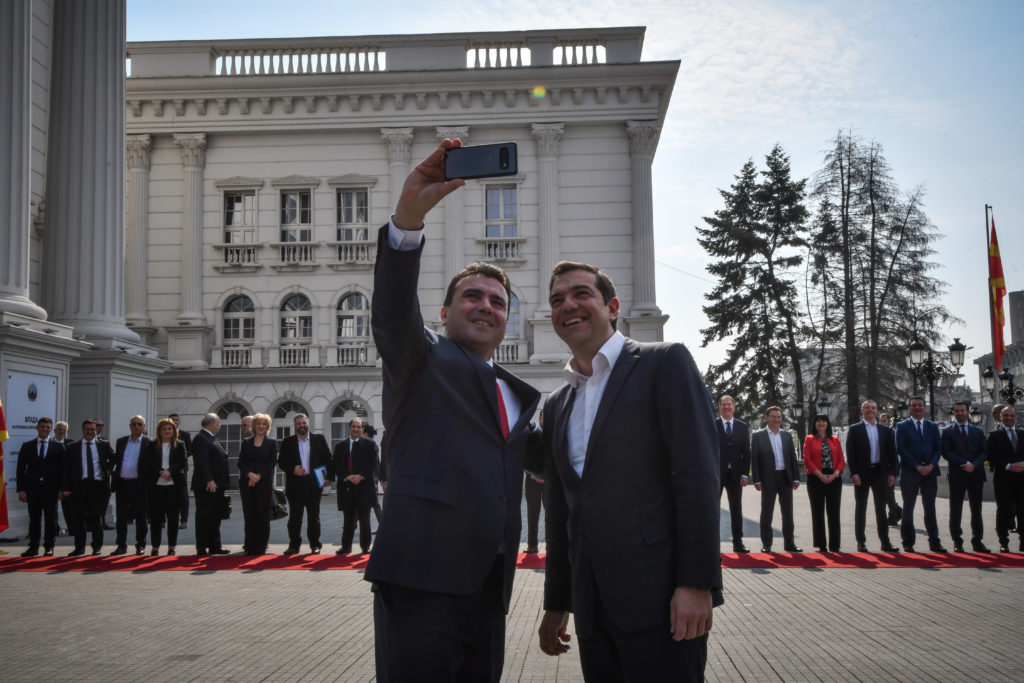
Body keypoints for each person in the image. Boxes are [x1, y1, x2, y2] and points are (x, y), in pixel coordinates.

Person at [365, 139, 542, 682]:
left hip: (489, 589)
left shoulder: (517, 396)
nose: (486, 306)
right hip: (420, 582)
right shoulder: (419, 358)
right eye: (473, 296)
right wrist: (409, 219)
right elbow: (393, 309)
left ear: (507, 321)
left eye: (497, 302)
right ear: (444, 313)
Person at [539, 260, 721, 682]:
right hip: (593, 611)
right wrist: (557, 602)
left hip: (663, 604)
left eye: (581, 294)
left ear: (613, 306)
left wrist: (697, 584)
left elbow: (697, 479)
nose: (568, 305)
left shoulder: (664, 364)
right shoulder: (558, 404)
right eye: (557, 299)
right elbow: (564, 513)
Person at [847, 400, 900, 552]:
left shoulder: (886, 431)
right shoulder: (855, 429)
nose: (870, 410)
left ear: (877, 411)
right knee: (861, 508)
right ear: (862, 411)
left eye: (873, 408)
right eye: (867, 408)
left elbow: (892, 453)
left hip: (880, 473)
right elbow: (851, 454)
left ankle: (885, 542)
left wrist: (892, 473)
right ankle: (861, 542)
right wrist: (854, 473)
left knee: (881, 509)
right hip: (862, 474)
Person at [895, 396, 946, 553]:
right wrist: (916, 466)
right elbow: (901, 449)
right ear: (910, 408)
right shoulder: (902, 426)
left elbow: (939, 448)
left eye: (920, 405)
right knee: (908, 508)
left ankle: (934, 541)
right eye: (914, 405)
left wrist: (931, 465)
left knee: (930, 508)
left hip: (930, 473)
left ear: (925, 408)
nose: (917, 408)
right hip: (911, 472)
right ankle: (908, 541)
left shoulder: (932, 426)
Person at [277, 413, 332, 555]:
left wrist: (329, 477)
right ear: (295, 426)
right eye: (299, 424)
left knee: (314, 517)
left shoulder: (319, 439)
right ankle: (294, 546)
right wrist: (292, 469)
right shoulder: (287, 442)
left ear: (308, 423)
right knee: (295, 518)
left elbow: (328, 459)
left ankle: (315, 545)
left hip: (313, 484)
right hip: (295, 484)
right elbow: (281, 462)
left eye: (304, 423)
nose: (302, 425)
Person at [751, 406, 802, 553]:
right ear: (766, 418)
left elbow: (792, 458)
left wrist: (796, 478)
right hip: (768, 478)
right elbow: (755, 460)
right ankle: (767, 544)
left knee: (788, 513)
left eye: (779, 417)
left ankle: (790, 544)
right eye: (773, 417)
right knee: (767, 512)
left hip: (785, 477)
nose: (776, 420)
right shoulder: (758, 436)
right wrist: (756, 480)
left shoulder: (786, 435)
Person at [941, 401, 990, 553]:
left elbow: (984, 452)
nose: (960, 413)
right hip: (957, 475)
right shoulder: (948, 431)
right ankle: (957, 541)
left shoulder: (978, 431)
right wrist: (964, 463)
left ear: (968, 412)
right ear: (954, 413)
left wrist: (974, 465)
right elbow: (946, 452)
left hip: (976, 475)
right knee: (955, 509)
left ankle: (977, 541)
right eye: (957, 411)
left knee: (977, 510)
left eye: (962, 410)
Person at [61, 419, 114, 556]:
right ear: (82, 430)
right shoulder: (73, 447)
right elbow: (66, 469)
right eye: (87, 429)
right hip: (79, 486)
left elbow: (114, 457)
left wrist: (108, 470)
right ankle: (79, 548)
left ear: (96, 431)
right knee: (78, 519)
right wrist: (65, 487)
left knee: (96, 518)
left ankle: (97, 547)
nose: (90, 432)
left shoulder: (104, 445)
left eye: (92, 429)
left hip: (97, 485)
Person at [15, 417, 63, 557]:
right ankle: (33, 547)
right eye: (42, 426)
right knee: (34, 519)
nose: (45, 429)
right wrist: (22, 490)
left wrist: (61, 489)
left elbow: (62, 470)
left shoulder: (58, 447)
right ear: (37, 428)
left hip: (51, 490)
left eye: (48, 427)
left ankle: (49, 547)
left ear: (51, 429)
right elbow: (20, 469)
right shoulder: (27, 446)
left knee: (51, 520)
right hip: (33, 489)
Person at [141, 417, 188, 556]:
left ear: (174, 430)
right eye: (164, 429)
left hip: (174, 486)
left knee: (173, 518)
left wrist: (170, 472)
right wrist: (161, 471)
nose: (167, 431)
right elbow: (148, 461)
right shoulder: (152, 444)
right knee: (156, 519)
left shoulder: (180, 444)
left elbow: (182, 461)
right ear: (159, 431)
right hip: (156, 485)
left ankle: (172, 546)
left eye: (170, 429)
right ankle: (155, 547)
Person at [333, 417, 377, 555]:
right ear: (349, 428)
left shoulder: (370, 445)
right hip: (347, 487)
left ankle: (365, 546)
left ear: (362, 429)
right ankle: (346, 547)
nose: (356, 429)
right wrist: (348, 476)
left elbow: (372, 464)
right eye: (354, 427)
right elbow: (337, 465)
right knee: (348, 520)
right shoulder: (340, 446)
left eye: (359, 427)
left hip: (364, 487)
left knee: (365, 520)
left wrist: (361, 476)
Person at [802, 413, 845, 553]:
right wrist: (821, 475)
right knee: (818, 512)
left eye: (824, 421)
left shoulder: (835, 440)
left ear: (828, 424)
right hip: (816, 480)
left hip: (834, 479)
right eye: (818, 421)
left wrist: (834, 475)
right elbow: (807, 460)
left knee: (834, 512)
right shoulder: (809, 439)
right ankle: (821, 544)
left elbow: (841, 460)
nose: (821, 424)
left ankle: (835, 545)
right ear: (814, 424)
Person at [238, 413, 277, 556]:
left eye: (264, 424)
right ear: (254, 426)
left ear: (267, 426)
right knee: (249, 515)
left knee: (262, 515)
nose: (261, 426)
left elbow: (272, 462)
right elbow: (241, 462)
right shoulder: (246, 442)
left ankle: (261, 547)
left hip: (264, 484)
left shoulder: (271, 442)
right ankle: (249, 546)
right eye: (259, 423)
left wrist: (258, 476)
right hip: (247, 483)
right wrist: (250, 475)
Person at [192, 413, 230, 556]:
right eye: (219, 422)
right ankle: (201, 547)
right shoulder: (201, 438)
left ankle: (215, 545)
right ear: (212, 423)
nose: (220, 425)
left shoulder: (211, 438)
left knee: (215, 516)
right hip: (207, 485)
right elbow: (202, 462)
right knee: (204, 516)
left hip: (217, 485)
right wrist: (210, 479)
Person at [111, 415, 150, 555]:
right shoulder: (121, 442)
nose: (136, 427)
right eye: (134, 424)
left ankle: (141, 544)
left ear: (144, 427)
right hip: (122, 483)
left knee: (141, 517)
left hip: (139, 485)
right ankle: (121, 545)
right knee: (121, 517)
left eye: (139, 424)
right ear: (129, 426)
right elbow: (117, 460)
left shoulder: (148, 443)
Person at [717, 394, 751, 553]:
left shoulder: (742, 427)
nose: (726, 407)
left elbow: (746, 452)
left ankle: (738, 542)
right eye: (723, 405)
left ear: (734, 407)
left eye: (729, 405)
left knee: (736, 509)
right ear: (719, 407)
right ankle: (712, 543)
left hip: (736, 475)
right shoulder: (712, 424)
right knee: (713, 508)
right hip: (716, 474)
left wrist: (745, 474)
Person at [988, 405, 1024, 552]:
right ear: (1001, 418)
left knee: (1023, 510)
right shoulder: (994, 436)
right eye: (1005, 416)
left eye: (1011, 415)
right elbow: (991, 456)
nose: (1008, 418)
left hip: (1022, 478)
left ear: (1016, 417)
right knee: (1003, 510)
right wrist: (1008, 465)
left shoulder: (1023, 434)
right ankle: (1004, 542)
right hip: (1003, 479)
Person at [877, 412, 903, 526]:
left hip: (890, 469)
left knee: (888, 494)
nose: (882, 422)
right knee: (885, 494)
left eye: (884, 420)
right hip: (880, 469)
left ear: (888, 422)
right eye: (880, 420)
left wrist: (894, 471)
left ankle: (894, 514)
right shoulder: (878, 432)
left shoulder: (891, 433)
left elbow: (894, 453)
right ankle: (896, 512)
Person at [170, 413, 193, 530]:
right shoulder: (164, 433)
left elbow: (190, 450)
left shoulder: (185, 435)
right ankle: (164, 520)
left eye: (176, 420)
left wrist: (180, 458)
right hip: (166, 470)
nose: (174, 421)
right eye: (172, 420)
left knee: (183, 495)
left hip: (181, 469)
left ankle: (183, 520)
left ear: (179, 421)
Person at [52, 420, 74, 535]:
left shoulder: (71, 444)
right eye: (59, 429)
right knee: (52, 507)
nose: (61, 431)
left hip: (66, 481)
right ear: (55, 430)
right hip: (52, 480)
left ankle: (72, 528)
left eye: (64, 430)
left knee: (68, 507)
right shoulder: (49, 443)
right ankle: (55, 528)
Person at [363, 423, 384, 524]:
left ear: (365, 433)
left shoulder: (371, 445)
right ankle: (352, 524)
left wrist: (380, 478)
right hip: (372, 477)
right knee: (371, 502)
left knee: (373, 502)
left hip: (371, 478)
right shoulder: (371, 444)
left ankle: (351, 525)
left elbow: (376, 462)